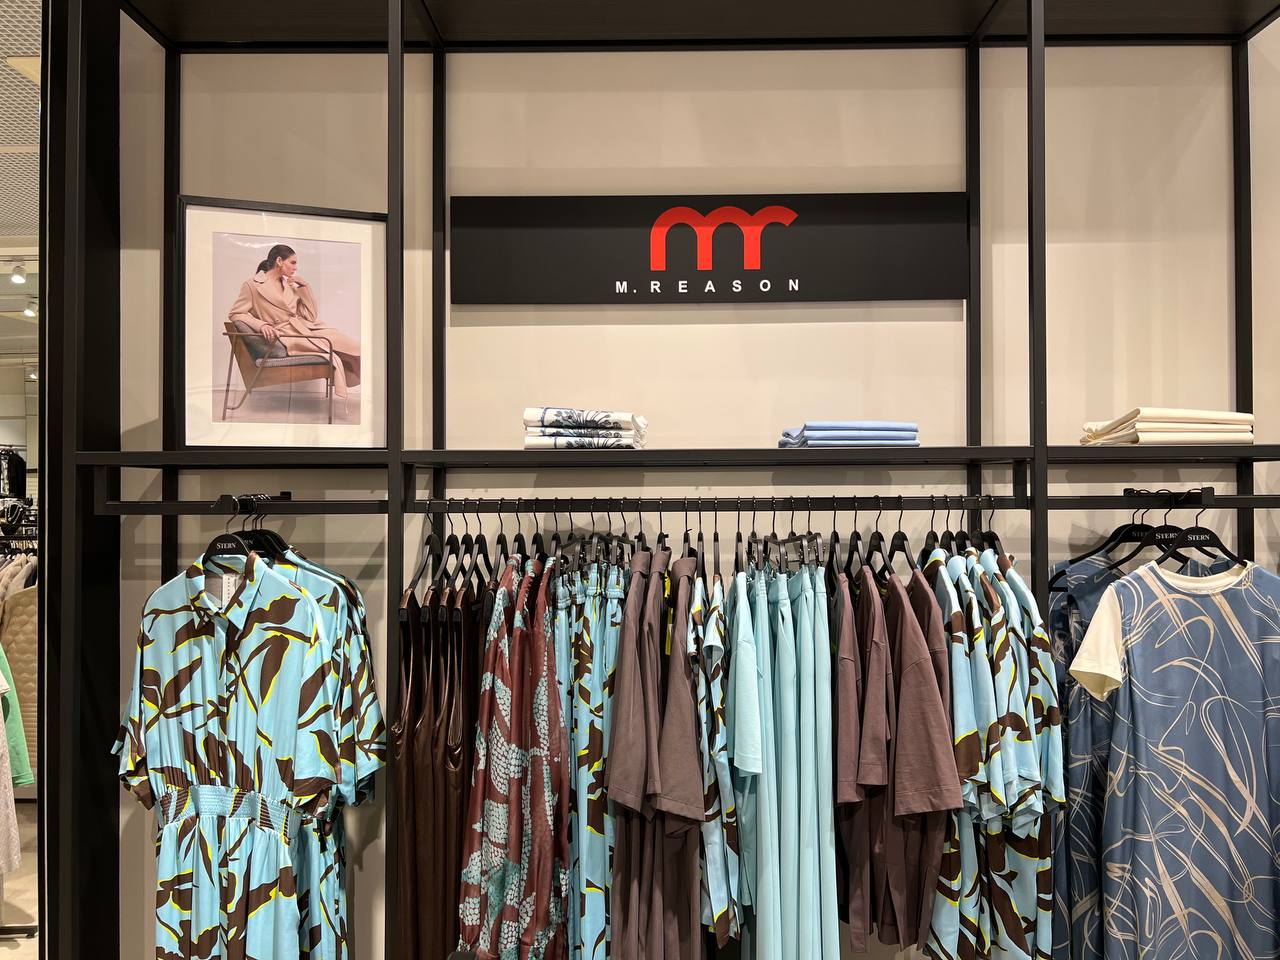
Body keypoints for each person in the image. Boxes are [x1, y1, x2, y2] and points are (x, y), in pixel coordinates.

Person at [227, 243, 361, 400]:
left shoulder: (290, 286)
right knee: (332, 346)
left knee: (351, 346)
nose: (295, 267)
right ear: (279, 261)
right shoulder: (252, 285)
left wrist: (305, 287)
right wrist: (262, 325)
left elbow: (310, 316)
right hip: (288, 336)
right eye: (293, 262)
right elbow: (236, 313)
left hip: (305, 328)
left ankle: (366, 371)